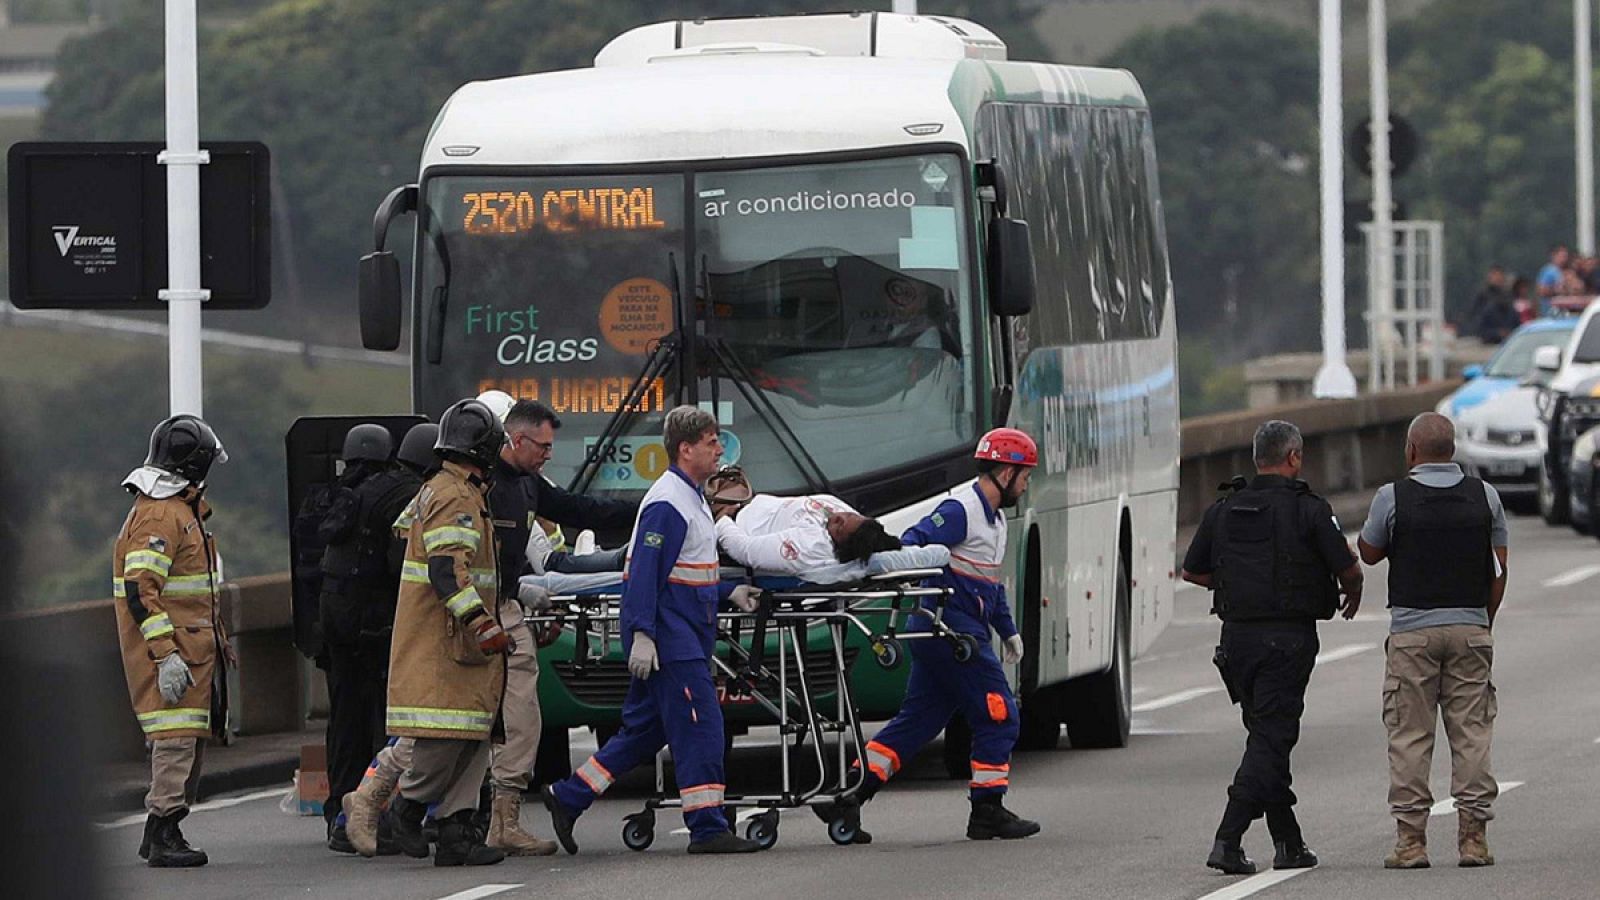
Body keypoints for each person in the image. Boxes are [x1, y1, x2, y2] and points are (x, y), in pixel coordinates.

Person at [542, 406, 763, 854]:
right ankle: (707, 828)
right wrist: (641, 633)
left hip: (681, 631)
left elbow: (688, 570)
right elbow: (643, 573)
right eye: (711, 441)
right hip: (670, 638)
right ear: (686, 449)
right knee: (703, 727)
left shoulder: (690, 495)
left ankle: (568, 796)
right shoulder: (668, 502)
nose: (719, 448)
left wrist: (727, 593)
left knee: (647, 731)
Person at [824, 428, 1041, 845]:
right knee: (999, 714)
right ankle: (988, 810)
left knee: (919, 721)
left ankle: (850, 793)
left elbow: (990, 587)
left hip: (949, 633)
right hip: (948, 632)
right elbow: (913, 545)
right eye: (1025, 475)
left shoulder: (995, 521)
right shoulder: (961, 510)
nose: (1027, 484)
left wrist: (1009, 633)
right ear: (1006, 471)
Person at [1181, 420, 1363, 876]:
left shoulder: (1223, 508)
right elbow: (1347, 567)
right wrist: (1351, 592)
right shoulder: (1310, 509)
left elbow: (1192, 570)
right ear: (1295, 457)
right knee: (1271, 740)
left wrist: (1236, 584)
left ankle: (1289, 842)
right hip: (1287, 640)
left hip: (1237, 641)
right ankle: (1228, 838)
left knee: (1267, 739)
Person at [475, 392, 638, 856]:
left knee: (521, 719)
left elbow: (578, 510)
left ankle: (499, 822)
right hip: (469, 613)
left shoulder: (528, 485)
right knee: (455, 725)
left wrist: (644, 509)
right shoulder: (479, 487)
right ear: (516, 438)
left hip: (504, 606)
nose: (549, 455)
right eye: (544, 447)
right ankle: (382, 800)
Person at [362, 398, 512, 867]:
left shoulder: (451, 489)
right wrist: (481, 623)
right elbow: (447, 570)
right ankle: (406, 809)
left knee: (473, 738)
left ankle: (455, 834)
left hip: (462, 646)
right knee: (441, 740)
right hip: (451, 642)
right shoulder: (454, 495)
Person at [1356, 412, 1506, 870]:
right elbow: (1499, 569)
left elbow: (1369, 550)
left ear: (1412, 451)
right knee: (1472, 733)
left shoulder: (1392, 497)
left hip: (1412, 634)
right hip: (1471, 629)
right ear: (1453, 450)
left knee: (1409, 737)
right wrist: (1483, 622)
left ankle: (1411, 842)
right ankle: (1473, 839)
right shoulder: (1485, 497)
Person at [113, 415, 232, 868]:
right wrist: (165, 655)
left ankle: (162, 829)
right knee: (175, 741)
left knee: (184, 741)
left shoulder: (175, 511)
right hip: (176, 652)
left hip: (192, 651)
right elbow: (141, 589)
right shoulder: (163, 513)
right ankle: (163, 830)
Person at [319, 424, 434, 854]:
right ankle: (370, 818)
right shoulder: (408, 494)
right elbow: (401, 566)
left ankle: (337, 814)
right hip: (376, 621)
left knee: (345, 717)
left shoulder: (353, 490)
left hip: (336, 617)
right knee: (386, 722)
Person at [1536, 244, 1570, 316]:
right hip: (1550, 311)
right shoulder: (1548, 271)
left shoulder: (1565, 271)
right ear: (1554, 256)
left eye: (1565, 257)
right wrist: (1556, 290)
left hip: (1563, 311)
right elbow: (1541, 290)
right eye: (1562, 256)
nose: (1564, 259)